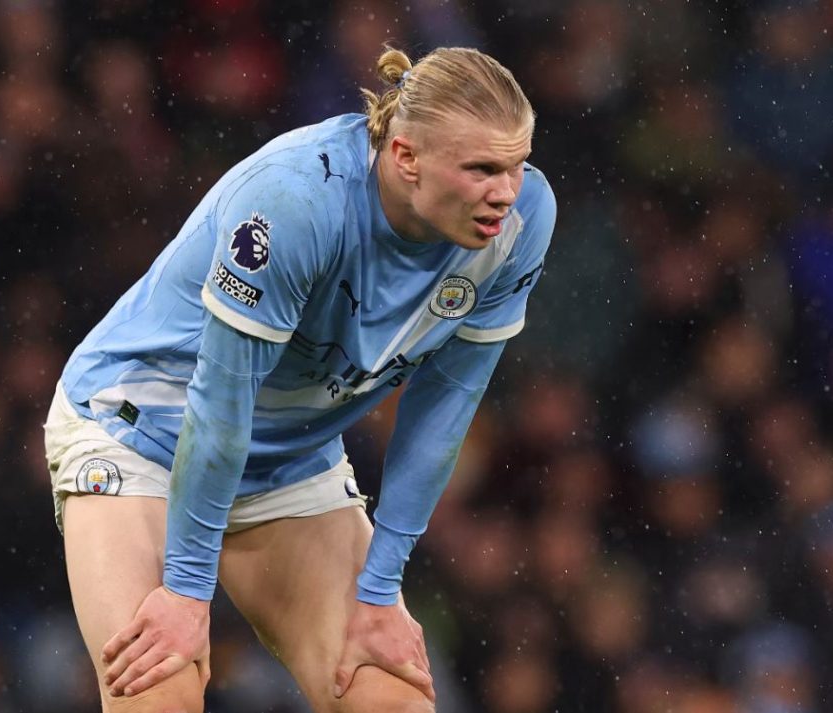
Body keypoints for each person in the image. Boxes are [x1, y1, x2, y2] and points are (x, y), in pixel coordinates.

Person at [42, 45, 555, 712]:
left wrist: (380, 591)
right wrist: (187, 592)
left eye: (516, 164)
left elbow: (445, 405)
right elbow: (219, 405)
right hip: (140, 428)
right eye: (482, 168)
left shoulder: (520, 222)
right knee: (157, 686)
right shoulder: (294, 202)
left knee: (388, 698)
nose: (506, 191)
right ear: (406, 156)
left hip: (285, 455)